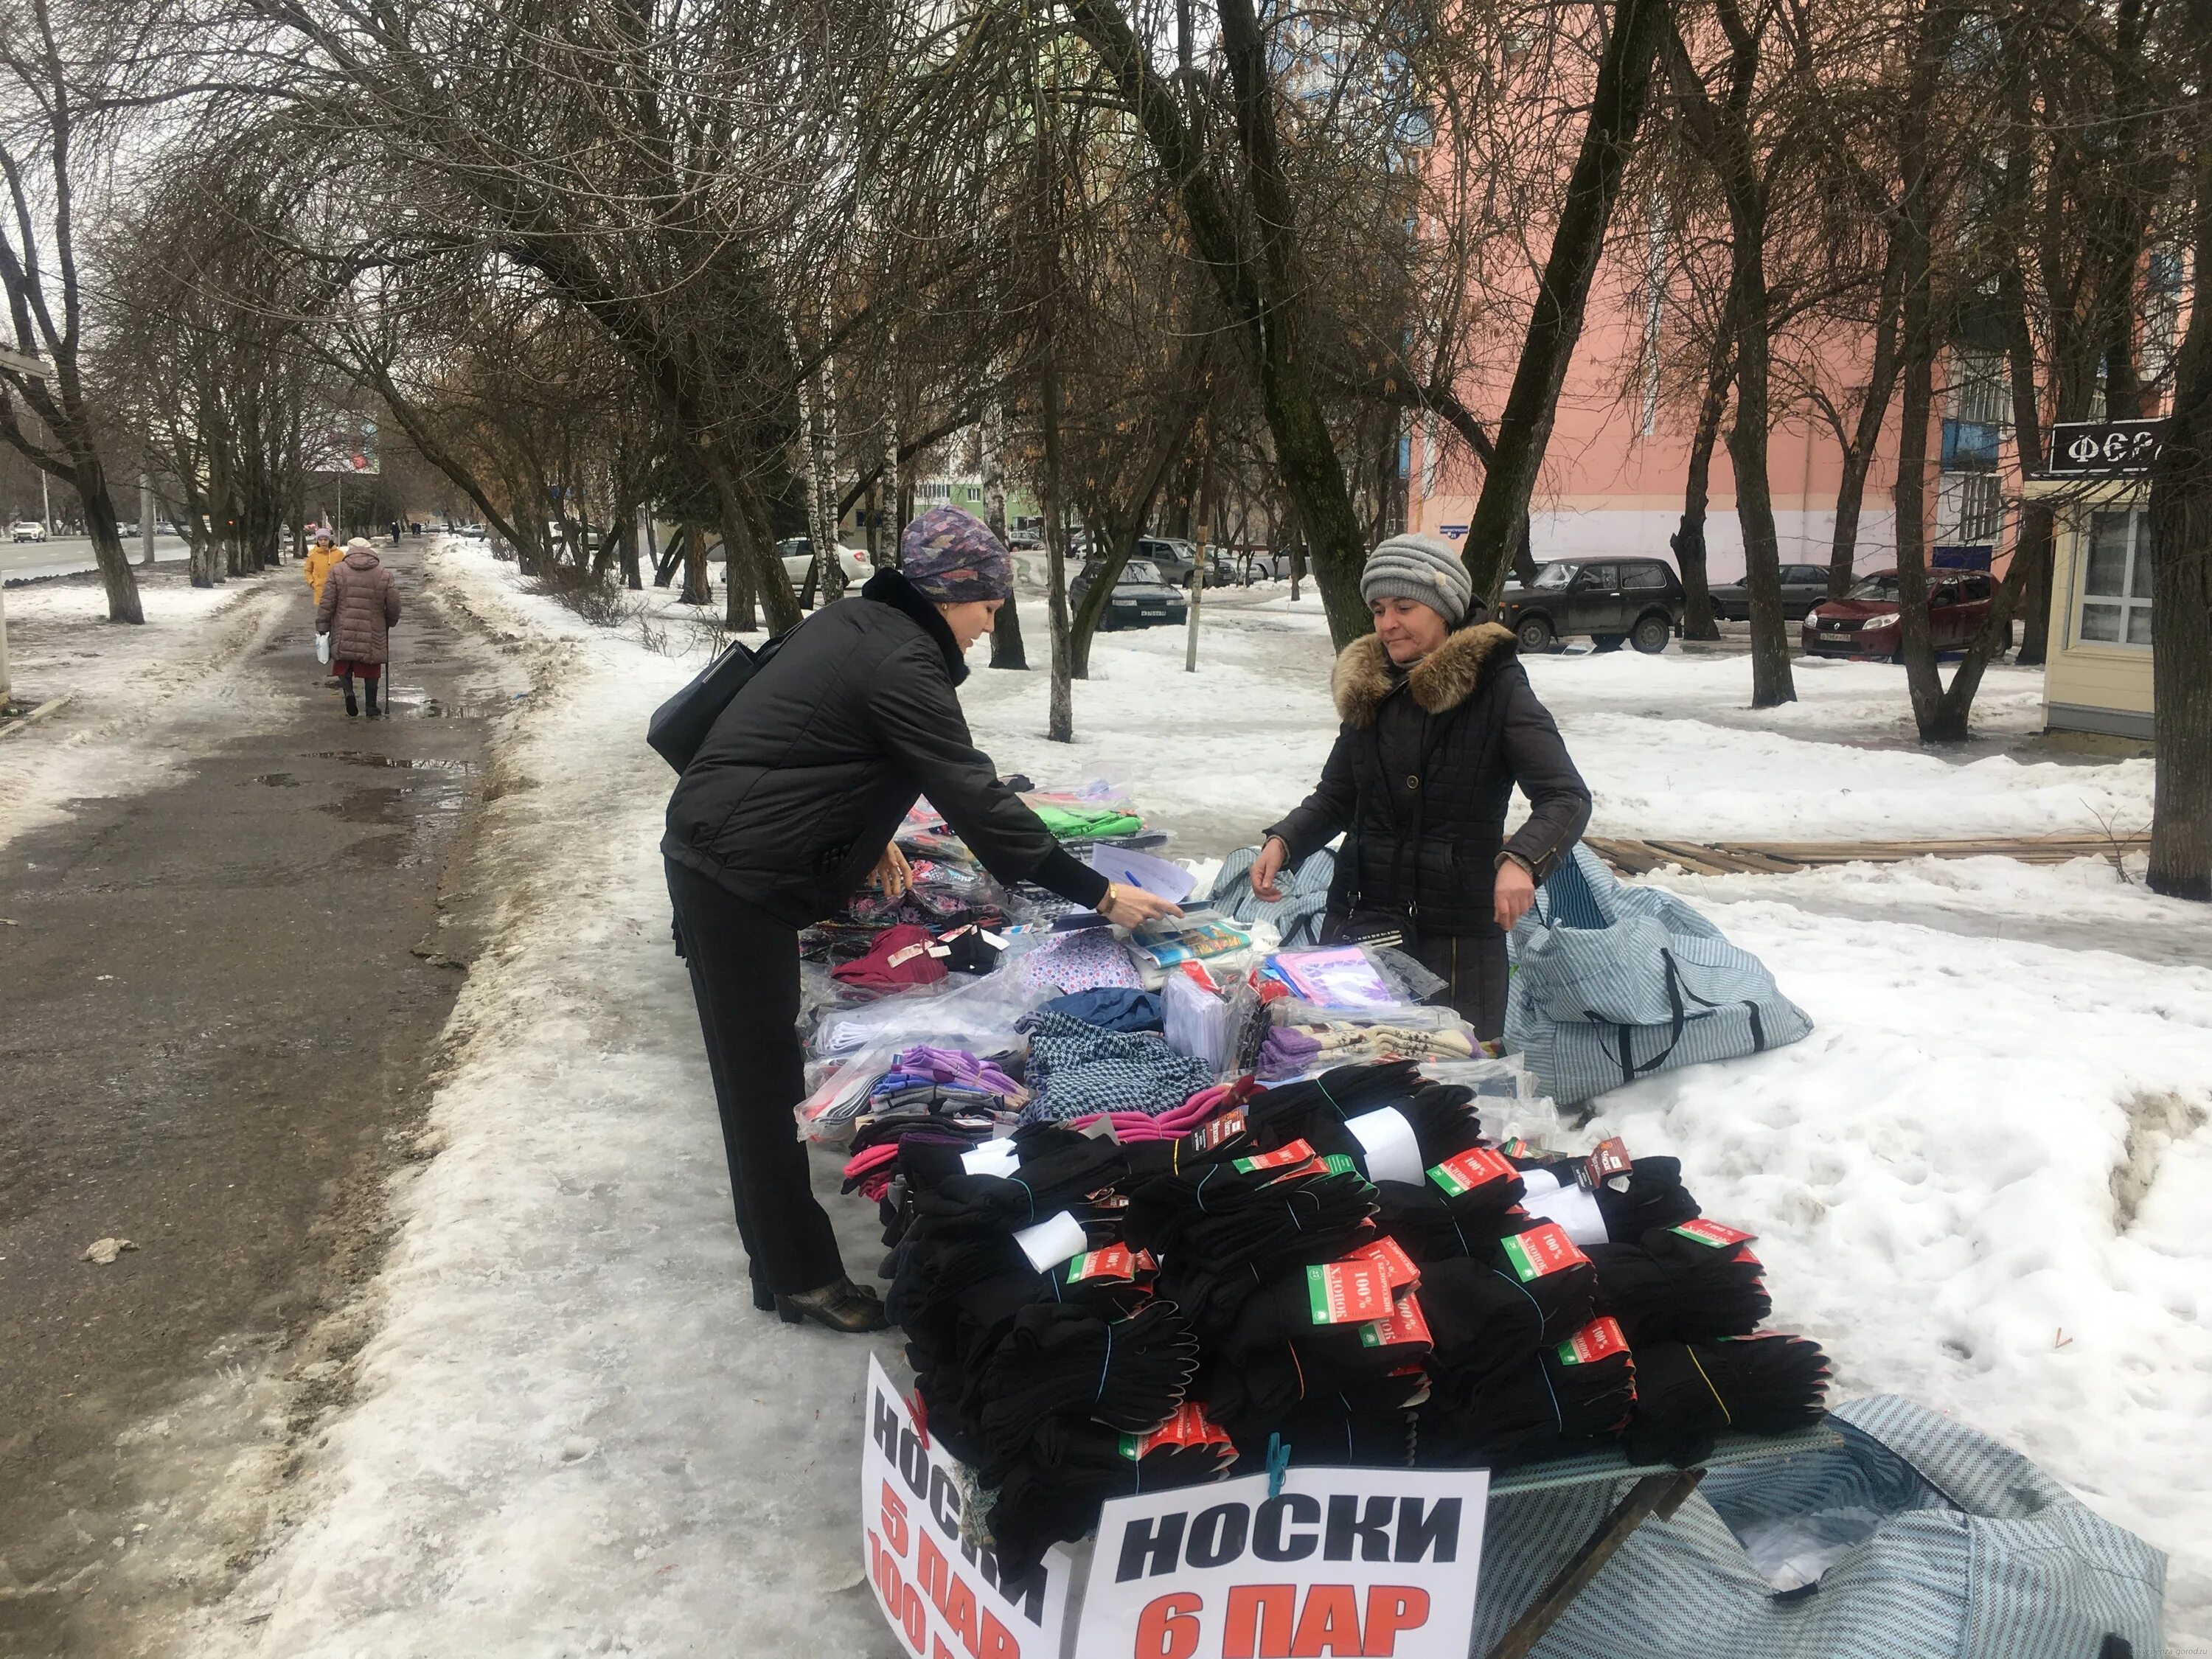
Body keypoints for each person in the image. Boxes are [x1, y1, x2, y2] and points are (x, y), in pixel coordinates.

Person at [663, 507, 1181, 1333]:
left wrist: (865, 833)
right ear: (951, 593)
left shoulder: (860, 622)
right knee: (757, 1082)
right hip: (734, 873)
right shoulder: (902, 662)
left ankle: (785, 1262)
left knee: (761, 1065)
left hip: (729, 845)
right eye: (989, 603)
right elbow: (972, 794)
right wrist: (1097, 892)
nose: (993, 620)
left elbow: (812, 742)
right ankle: (794, 1275)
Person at [1249, 533, 1590, 1042]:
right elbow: (1338, 794)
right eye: (1379, 608)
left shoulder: (1498, 688)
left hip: (1454, 941)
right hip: (1359, 921)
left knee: (1448, 1089)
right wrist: (1285, 840)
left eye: (1404, 607)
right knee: (1346, 1065)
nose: (1388, 624)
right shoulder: (1371, 687)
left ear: (1444, 608)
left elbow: (1566, 797)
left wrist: (1522, 860)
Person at [316, 537, 401, 717]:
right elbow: (394, 604)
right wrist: (390, 621)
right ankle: (371, 706)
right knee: (371, 666)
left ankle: (349, 693)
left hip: (343, 626)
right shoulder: (383, 573)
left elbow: (327, 602)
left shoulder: (337, 571)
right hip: (374, 629)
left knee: (344, 662)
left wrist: (322, 625)